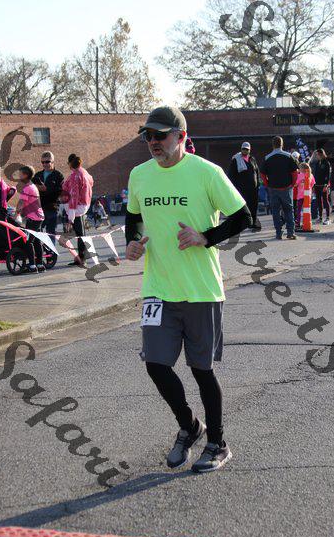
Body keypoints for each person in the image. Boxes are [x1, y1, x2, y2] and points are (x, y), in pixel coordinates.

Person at [125, 105, 251, 473]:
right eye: (148, 136)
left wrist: (205, 237)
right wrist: (133, 242)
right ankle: (190, 426)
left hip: (200, 290)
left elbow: (243, 216)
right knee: (156, 365)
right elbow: (134, 216)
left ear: (180, 136)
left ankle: (218, 442)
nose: (152, 142)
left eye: (159, 135)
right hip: (158, 288)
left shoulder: (207, 173)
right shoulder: (139, 175)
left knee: (201, 370)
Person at [259, 136, 298, 240]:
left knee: (275, 211)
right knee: (288, 210)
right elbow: (294, 172)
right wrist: (292, 184)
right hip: (286, 188)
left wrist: (267, 184)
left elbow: (262, 174)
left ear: (273, 145)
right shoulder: (289, 156)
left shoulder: (267, 158)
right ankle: (290, 232)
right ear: (282, 144)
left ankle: (278, 233)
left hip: (273, 188)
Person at [62, 154, 94, 268]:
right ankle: (81, 258)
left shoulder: (76, 176)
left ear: (70, 164)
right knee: (81, 234)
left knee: (81, 235)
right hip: (83, 205)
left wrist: (70, 217)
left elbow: (74, 196)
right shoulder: (84, 172)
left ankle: (82, 258)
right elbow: (91, 182)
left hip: (77, 208)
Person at [16, 166, 45, 273]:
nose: (19, 176)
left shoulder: (27, 188)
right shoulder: (33, 186)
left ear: (26, 175)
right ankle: (40, 264)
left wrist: (16, 214)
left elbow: (20, 204)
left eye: (20, 174)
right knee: (36, 241)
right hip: (39, 217)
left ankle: (32, 266)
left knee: (28, 242)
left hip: (33, 218)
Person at [228, 142, 260, 230]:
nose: (245, 150)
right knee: (243, 207)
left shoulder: (252, 159)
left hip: (253, 188)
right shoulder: (235, 160)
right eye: (243, 149)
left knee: (253, 205)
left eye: (247, 149)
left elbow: (257, 171)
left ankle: (253, 222)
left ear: (249, 150)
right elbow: (231, 175)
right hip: (242, 189)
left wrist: (258, 184)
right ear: (241, 149)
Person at [32, 151, 64, 242]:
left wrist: (45, 189)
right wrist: (36, 188)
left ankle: (51, 250)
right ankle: (41, 249)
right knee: (37, 232)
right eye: (43, 162)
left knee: (50, 232)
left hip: (51, 208)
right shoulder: (38, 175)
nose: (44, 164)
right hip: (39, 208)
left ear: (53, 161)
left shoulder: (58, 175)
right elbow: (32, 191)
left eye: (47, 162)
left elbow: (59, 192)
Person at [310, 149, 331, 225]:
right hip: (317, 185)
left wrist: (326, 185)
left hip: (323, 185)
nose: (316, 156)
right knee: (319, 201)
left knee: (325, 200)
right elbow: (314, 174)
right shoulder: (317, 162)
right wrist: (313, 185)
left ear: (321, 154)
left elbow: (328, 175)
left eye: (317, 154)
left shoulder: (326, 162)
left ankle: (328, 218)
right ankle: (320, 217)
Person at [295, 163, 315, 228]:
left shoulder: (299, 175)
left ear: (303, 169)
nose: (299, 169)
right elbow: (312, 184)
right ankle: (306, 222)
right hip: (308, 195)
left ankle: (298, 223)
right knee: (307, 209)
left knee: (299, 210)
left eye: (300, 168)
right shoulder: (311, 175)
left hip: (300, 195)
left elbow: (295, 184)